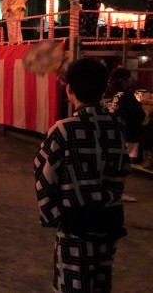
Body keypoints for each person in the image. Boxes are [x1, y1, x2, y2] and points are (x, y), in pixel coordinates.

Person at [34, 58, 131, 293]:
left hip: (76, 226)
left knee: (73, 285)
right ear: (102, 88)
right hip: (109, 223)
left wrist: (56, 215)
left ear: (69, 89)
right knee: (100, 282)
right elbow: (123, 170)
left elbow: (44, 176)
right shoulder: (116, 125)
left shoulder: (64, 129)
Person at [102, 67, 146, 203]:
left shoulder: (107, 95)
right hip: (127, 134)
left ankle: (108, 189)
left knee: (111, 164)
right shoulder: (126, 96)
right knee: (123, 164)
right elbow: (138, 114)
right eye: (128, 79)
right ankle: (117, 191)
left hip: (108, 134)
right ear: (124, 81)